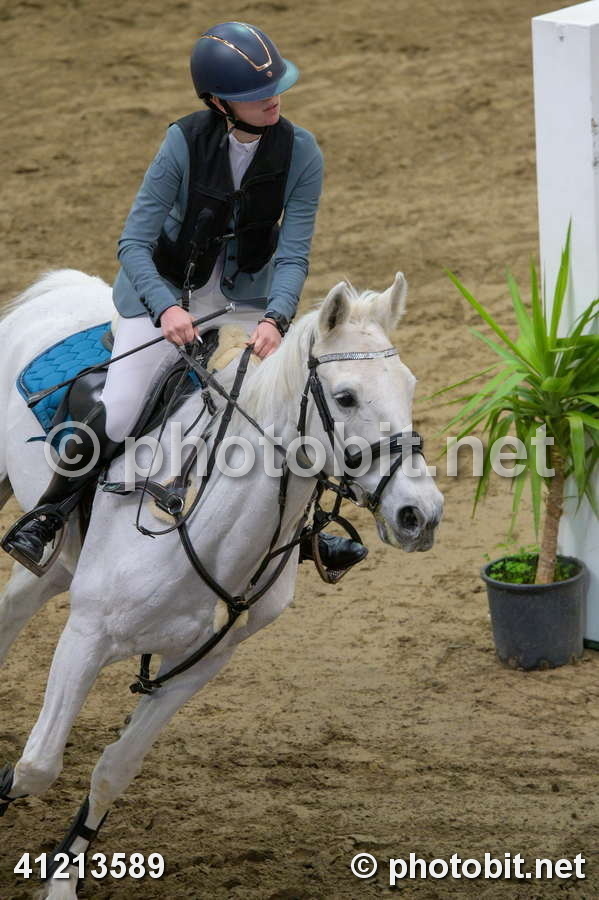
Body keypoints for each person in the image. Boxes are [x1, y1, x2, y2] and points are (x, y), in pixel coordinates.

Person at [5, 21, 367, 573]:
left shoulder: (301, 152)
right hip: (163, 291)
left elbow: (294, 254)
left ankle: (307, 531)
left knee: (291, 398)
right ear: (219, 102)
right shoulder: (183, 142)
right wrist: (167, 307)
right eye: (254, 93)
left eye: (274, 87)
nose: (272, 99)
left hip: (246, 300)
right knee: (121, 410)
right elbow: (133, 243)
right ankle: (48, 516)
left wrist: (276, 318)